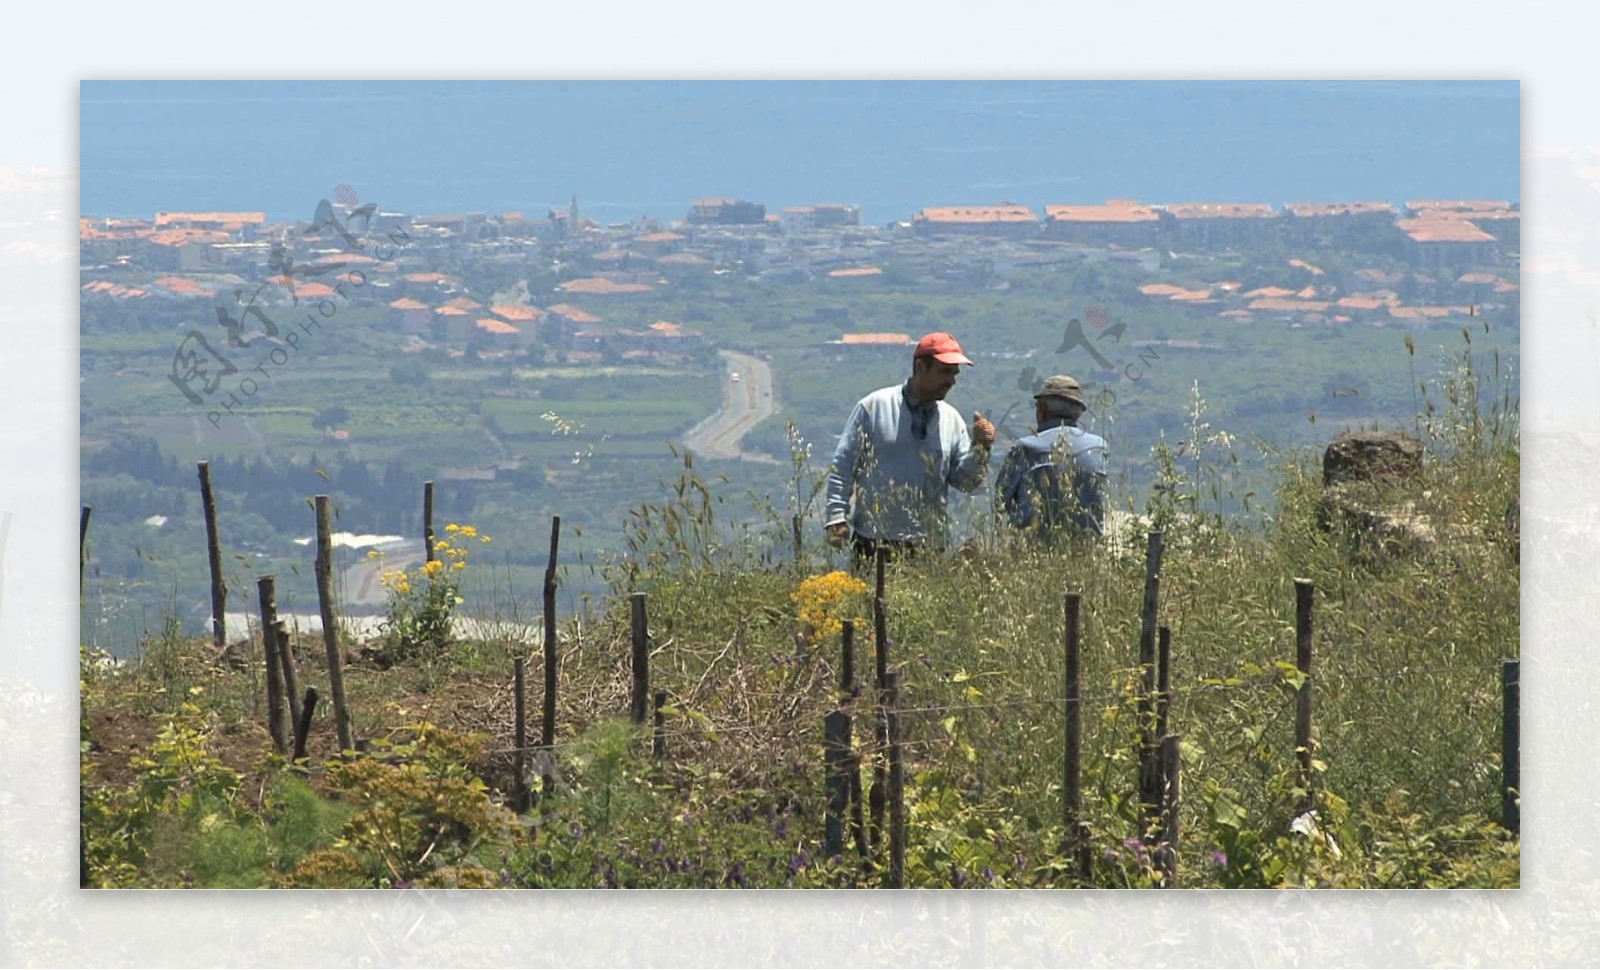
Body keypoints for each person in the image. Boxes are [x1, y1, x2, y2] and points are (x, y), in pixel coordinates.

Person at [824, 332, 997, 564]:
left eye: (955, 374)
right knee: (872, 600)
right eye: (944, 372)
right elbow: (844, 464)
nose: (952, 381)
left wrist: (981, 448)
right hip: (874, 541)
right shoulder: (875, 407)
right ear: (920, 366)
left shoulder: (951, 419)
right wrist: (836, 517)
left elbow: (965, 482)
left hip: (929, 545)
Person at [995, 374, 1108, 541]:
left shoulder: (1025, 448)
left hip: (1036, 550)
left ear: (1043, 409)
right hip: (1088, 548)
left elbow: (1000, 499)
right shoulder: (1099, 446)